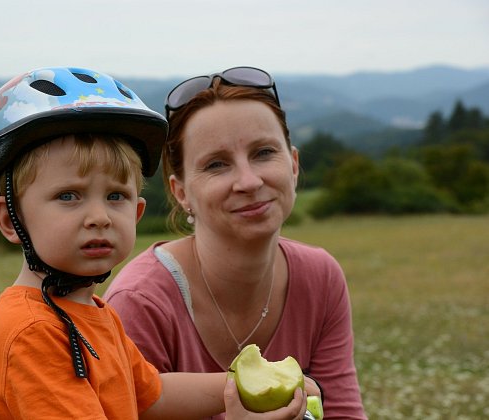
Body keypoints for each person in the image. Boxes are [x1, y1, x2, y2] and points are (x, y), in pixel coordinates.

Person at [0, 66, 311, 419]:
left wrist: (252, 384)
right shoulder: (34, 333)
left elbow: (151, 396)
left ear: (137, 213)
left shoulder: (94, 313)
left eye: (116, 196)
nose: (99, 216)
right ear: (10, 220)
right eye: (69, 195)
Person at [104, 66, 367, 419]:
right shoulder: (140, 303)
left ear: (293, 165)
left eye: (263, 153)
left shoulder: (320, 277)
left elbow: (343, 413)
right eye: (216, 164)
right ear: (181, 192)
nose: (248, 180)